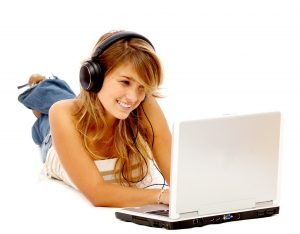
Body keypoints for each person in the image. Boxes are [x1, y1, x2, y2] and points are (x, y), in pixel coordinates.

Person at [18, 30, 171, 207]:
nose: (133, 97)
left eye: (141, 87)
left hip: (86, 107)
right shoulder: (61, 114)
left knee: (73, 103)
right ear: (93, 77)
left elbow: (178, 177)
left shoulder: (144, 103)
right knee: (52, 109)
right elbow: (98, 194)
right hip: (53, 142)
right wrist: (161, 195)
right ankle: (41, 85)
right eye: (125, 82)